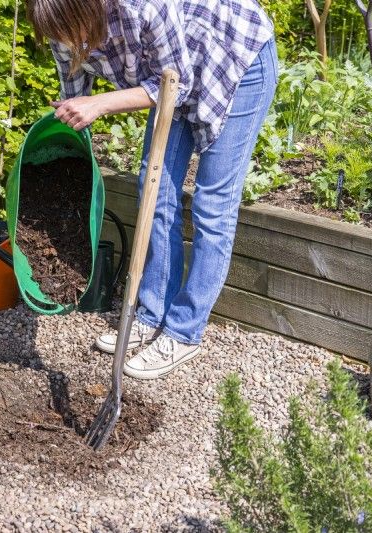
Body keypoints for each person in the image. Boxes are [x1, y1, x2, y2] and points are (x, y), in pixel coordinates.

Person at [27, 0, 278, 379]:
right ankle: (150, 314)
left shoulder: (142, 5)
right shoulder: (61, 25)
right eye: (59, 36)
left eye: (72, 32)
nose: (68, 44)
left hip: (235, 57)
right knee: (154, 185)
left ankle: (183, 331)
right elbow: (77, 96)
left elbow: (178, 84)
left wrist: (102, 103)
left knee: (213, 201)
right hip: (177, 72)